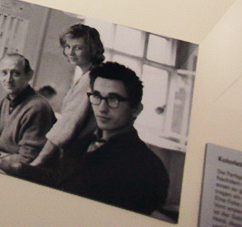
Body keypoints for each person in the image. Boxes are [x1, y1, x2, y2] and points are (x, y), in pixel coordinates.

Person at [54, 62, 170, 215]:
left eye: (113, 99)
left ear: (136, 109)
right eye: (97, 96)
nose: (102, 108)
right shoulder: (81, 142)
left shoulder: (148, 169)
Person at [30, 24, 105, 168]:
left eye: (78, 48)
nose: (70, 52)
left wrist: (38, 161)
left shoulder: (90, 79)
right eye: (68, 46)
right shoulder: (90, 74)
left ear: (92, 49)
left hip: (79, 154)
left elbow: (68, 124)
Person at [0, 53, 56, 170]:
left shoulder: (38, 107)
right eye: (4, 73)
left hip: (23, 174)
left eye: (15, 73)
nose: (8, 79)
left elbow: (29, 159)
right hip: (4, 164)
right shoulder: (5, 100)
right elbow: (0, 141)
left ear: (29, 75)